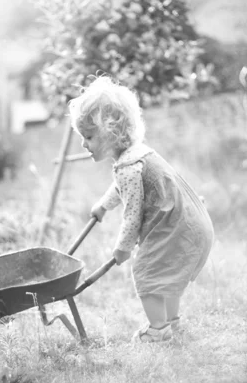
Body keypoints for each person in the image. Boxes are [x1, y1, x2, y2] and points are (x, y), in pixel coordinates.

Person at [68, 76, 214, 343]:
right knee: (167, 270)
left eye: (88, 136)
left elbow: (132, 213)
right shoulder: (137, 154)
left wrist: (123, 246)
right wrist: (103, 206)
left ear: (110, 132)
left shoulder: (127, 167)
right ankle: (171, 321)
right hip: (188, 221)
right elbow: (124, 189)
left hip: (172, 226)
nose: (83, 144)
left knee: (146, 270)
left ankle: (158, 329)